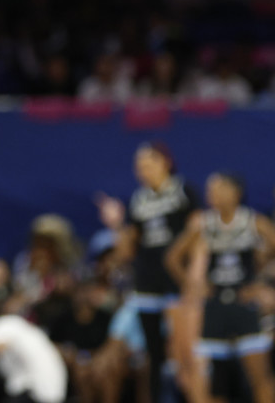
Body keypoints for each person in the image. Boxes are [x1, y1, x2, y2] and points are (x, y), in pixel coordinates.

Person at [167, 173, 275, 403]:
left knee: (261, 378)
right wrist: (194, 285)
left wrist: (260, 281)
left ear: (235, 192)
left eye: (217, 189)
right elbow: (173, 258)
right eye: (209, 190)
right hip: (215, 308)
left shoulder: (252, 221)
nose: (211, 195)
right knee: (214, 385)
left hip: (244, 306)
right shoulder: (205, 224)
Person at [109, 141, 198, 401]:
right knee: (154, 353)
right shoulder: (139, 199)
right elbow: (128, 250)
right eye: (139, 167)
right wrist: (117, 225)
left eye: (148, 165)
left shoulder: (183, 191)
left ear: (165, 163)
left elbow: (197, 232)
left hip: (176, 282)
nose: (143, 171)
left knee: (182, 352)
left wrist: (186, 271)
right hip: (147, 281)